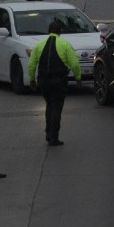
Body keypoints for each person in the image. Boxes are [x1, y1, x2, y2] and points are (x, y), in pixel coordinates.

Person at [28, 18, 82, 146]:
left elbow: (31, 65)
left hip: (44, 82)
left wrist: (32, 80)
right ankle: (53, 137)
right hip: (59, 82)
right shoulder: (65, 44)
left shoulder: (39, 45)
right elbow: (74, 64)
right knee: (56, 108)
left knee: (49, 105)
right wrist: (78, 78)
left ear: (48, 31)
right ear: (60, 31)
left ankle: (48, 132)